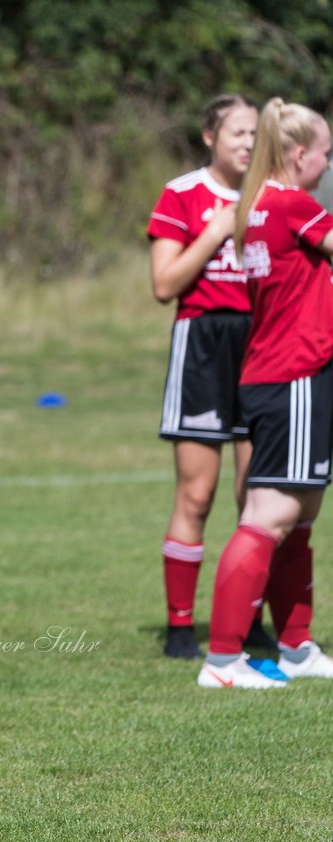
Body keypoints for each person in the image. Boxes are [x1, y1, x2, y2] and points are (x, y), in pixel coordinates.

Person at [197, 97, 333, 689]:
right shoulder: (292, 204)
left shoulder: (254, 206)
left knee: (298, 516)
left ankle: (295, 646)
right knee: (268, 515)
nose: (328, 166)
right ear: (300, 153)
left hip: (275, 372)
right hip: (294, 374)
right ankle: (223, 660)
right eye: (326, 154)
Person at [147, 94, 276, 659]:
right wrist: (218, 230)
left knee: (258, 499)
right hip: (202, 344)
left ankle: (249, 622)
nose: (247, 144)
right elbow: (164, 284)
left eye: (255, 134)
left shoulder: (272, 198)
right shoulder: (182, 194)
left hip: (261, 347)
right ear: (209, 136)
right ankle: (180, 627)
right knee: (196, 494)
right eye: (237, 133)